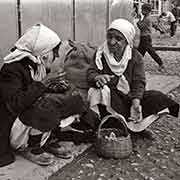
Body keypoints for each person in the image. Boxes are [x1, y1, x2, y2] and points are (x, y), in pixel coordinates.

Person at [0, 23, 94, 167]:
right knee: (46, 107)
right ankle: (32, 147)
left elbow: (37, 90)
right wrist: (45, 84)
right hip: (14, 125)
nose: (56, 56)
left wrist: (57, 87)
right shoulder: (12, 69)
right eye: (54, 52)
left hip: (28, 116)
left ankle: (46, 140)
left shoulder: (37, 64)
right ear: (43, 51)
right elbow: (14, 104)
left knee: (70, 97)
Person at [87, 18, 179, 141]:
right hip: (112, 98)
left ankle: (139, 127)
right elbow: (90, 73)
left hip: (130, 96)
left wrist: (136, 102)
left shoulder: (135, 57)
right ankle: (114, 127)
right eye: (109, 37)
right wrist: (97, 77)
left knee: (157, 98)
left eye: (118, 39)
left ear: (127, 41)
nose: (112, 42)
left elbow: (138, 82)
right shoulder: (100, 54)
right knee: (97, 92)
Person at [137, 3, 165, 72]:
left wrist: (139, 19)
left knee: (151, 52)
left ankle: (161, 64)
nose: (141, 11)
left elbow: (140, 26)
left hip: (145, 38)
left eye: (142, 10)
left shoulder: (147, 19)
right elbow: (153, 25)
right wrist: (160, 29)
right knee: (139, 53)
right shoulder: (148, 18)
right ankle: (136, 65)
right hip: (144, 37)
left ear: (146, 10)